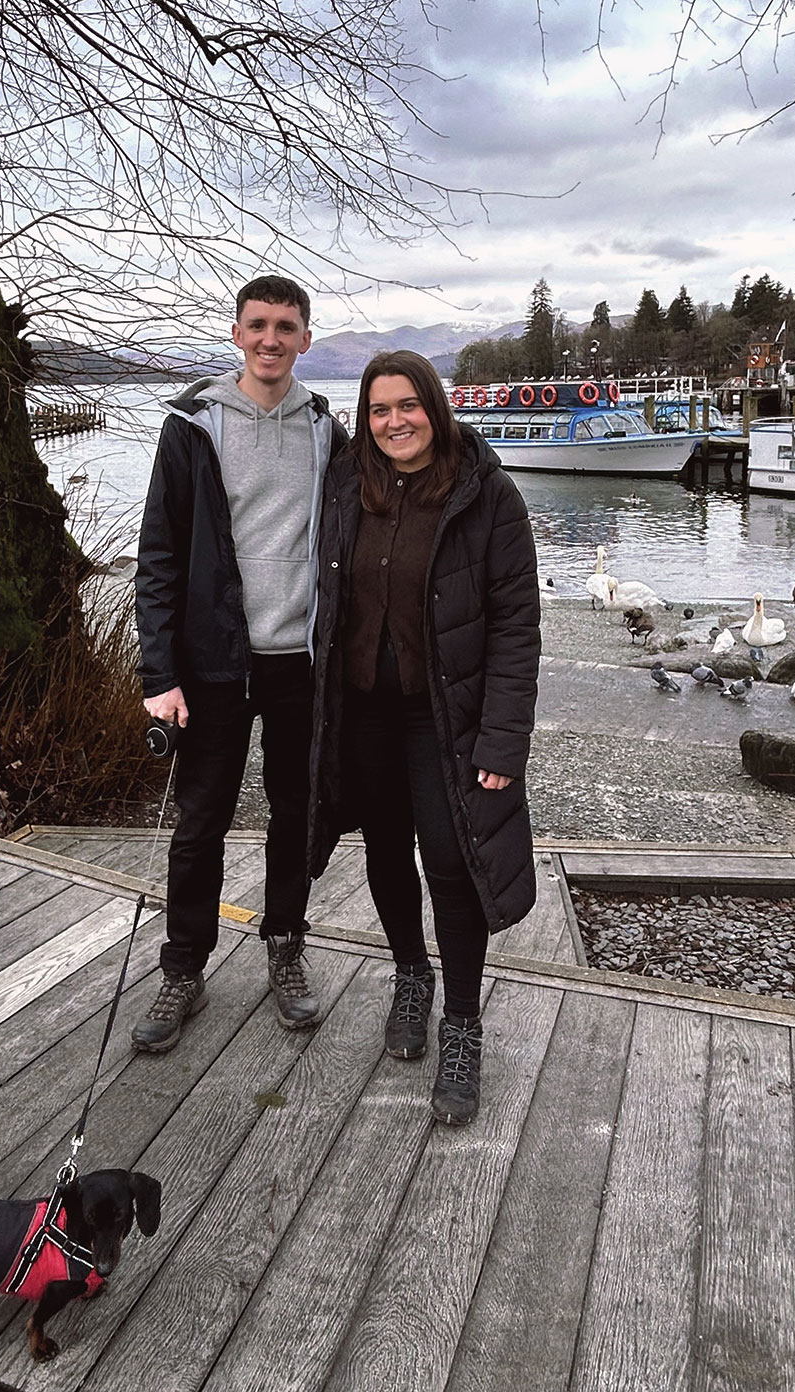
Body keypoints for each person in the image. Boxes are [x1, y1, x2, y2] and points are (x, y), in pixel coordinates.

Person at [309, 350, 541, 1125]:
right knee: (383, 851)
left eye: (407, 406)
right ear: (364, 420)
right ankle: (412, 972)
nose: (394, 421)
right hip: (364, 709)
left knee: (450, 862)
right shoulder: (348, 486)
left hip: (446, 716)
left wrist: (503, 744)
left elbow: (516, 627)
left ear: (434, 409)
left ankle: (464, 1025)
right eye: (378, 410)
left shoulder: (487, 496)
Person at [132, 274, 346, 1052]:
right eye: (258, 324)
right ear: (236, 333)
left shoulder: (326, 431)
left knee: (296, 816)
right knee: (201, 824)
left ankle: (285, 946)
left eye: (287, 326)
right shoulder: (193, 427)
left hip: (300, 663)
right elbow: (157, 558)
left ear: (305, 340)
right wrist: (159, 676)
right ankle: (183, 969)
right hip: (214, 663)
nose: (271, 339)